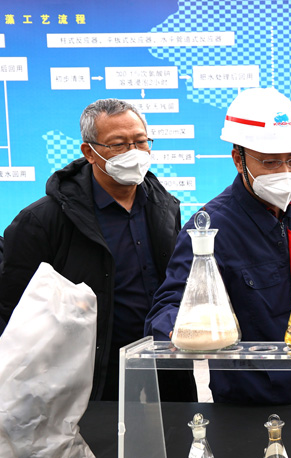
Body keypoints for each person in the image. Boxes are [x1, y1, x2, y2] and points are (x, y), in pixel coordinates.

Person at [0, 98, 195, 402]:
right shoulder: (43, 220)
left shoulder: (164, 207)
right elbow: (11, 308)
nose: (133, 152)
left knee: (177, 431)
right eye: (118, 144)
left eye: (141, 141)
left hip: (164, 364)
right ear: (89, 152)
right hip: (91, 377)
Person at [145, 87, 291, 404]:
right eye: (270, 163)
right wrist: (177, 329)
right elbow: (171, 303)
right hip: (249, 399)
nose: (286, 173)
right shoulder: (210, 228)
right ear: (238, 160)